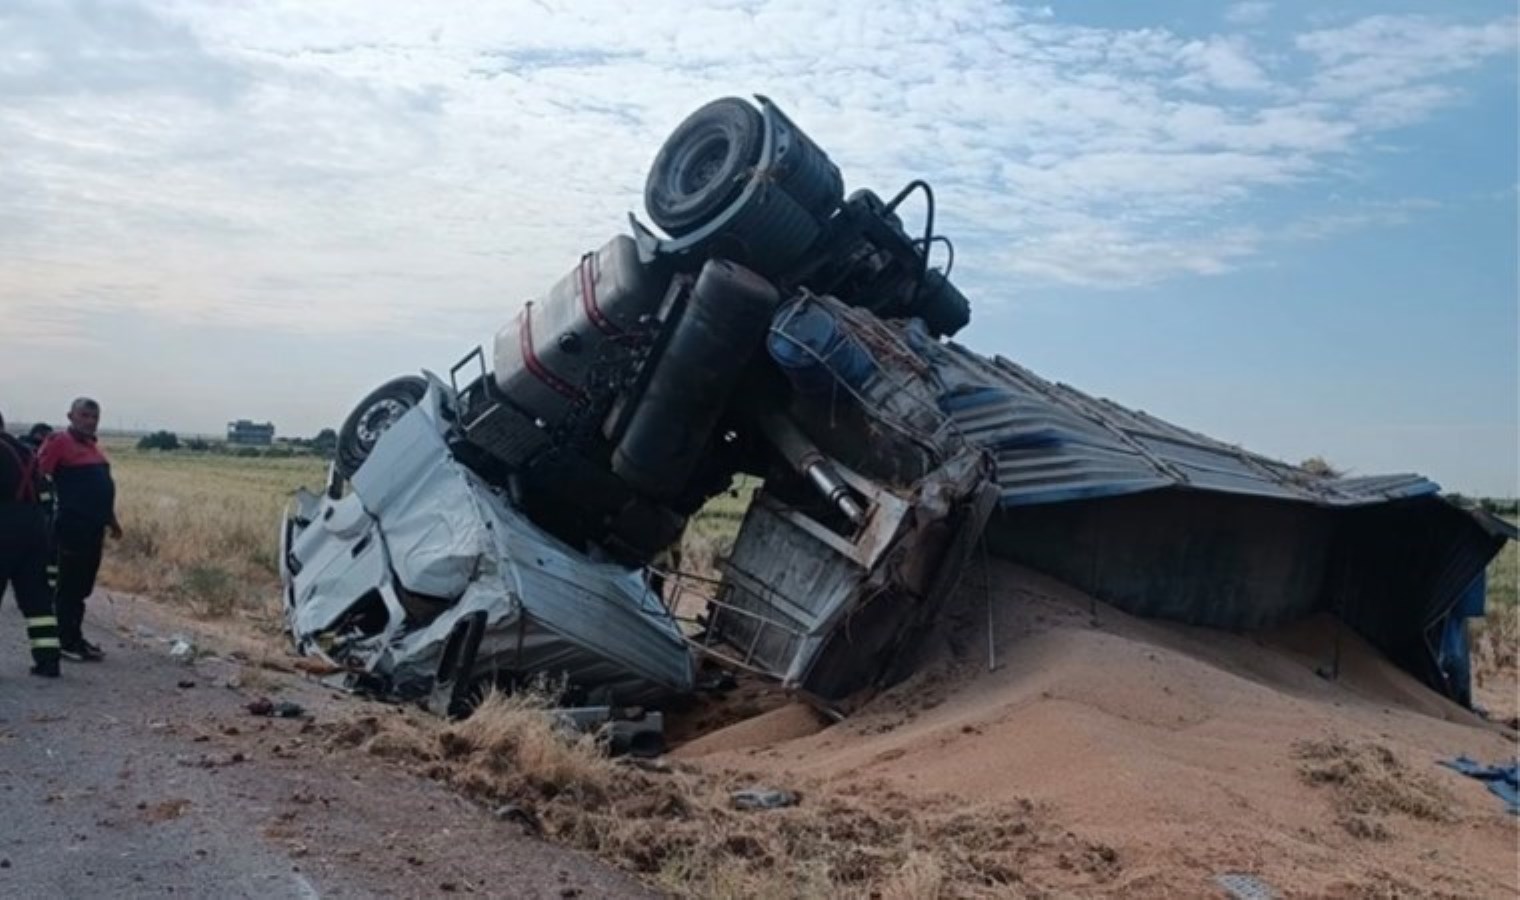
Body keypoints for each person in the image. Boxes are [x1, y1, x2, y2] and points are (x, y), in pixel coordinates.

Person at [37, 398, 120, 662]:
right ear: (71, 416)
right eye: (84, 415)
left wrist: (112, 521)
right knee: (69, 586)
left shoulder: (93, 448)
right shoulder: (59, 441)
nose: (90, 421)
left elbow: (101, 491)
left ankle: (75, 636)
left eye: (95, 417)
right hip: (73, 526)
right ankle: (64, 640)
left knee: (83, 587)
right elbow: (38, 474)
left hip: (94, 528)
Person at [0, 411, 62, 677]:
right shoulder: (25, 450)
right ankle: (48, 661)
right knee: (37, 600)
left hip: (4, 524)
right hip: (35, 526)